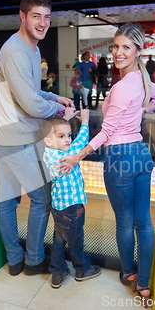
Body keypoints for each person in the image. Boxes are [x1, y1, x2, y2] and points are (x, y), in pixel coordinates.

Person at [55, 23, 155, 303]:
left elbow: (106, 133)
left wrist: (77, 156)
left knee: (125, 222)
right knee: (143, 222)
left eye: (126, 48)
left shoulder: (122, 87)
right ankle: (144, 284)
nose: (119, 52)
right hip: (141, 155)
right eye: (116, 46)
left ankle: (129, 274)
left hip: (120, 158)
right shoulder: (142, 82)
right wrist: (141, 107)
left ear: (137, 51)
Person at [0, 0, 74, 277]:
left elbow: (29, 90)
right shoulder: (15, 50)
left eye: (47, 17)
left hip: (5, 135)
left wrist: (54, 97)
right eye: (36, 16)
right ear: (22, 16)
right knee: (42, 199)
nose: (42, 23)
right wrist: (60, 112)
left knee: (8, 201)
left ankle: (14, 261)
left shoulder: (31, 48)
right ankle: (34, 261)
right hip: (14, 138)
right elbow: (29, 103)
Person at [42, 109, 101, 289]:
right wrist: (85, 120)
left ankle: (57, 272)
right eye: (61, 136)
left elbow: (49, 135)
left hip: (58, 208)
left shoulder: (48, 152)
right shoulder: (65, 156)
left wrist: (64, 120)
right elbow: (82, 142)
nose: (68, 139)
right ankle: (82, 269)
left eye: (69, 135)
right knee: (76, 241)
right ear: (49, 140)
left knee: (59, 241)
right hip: (72, 208)